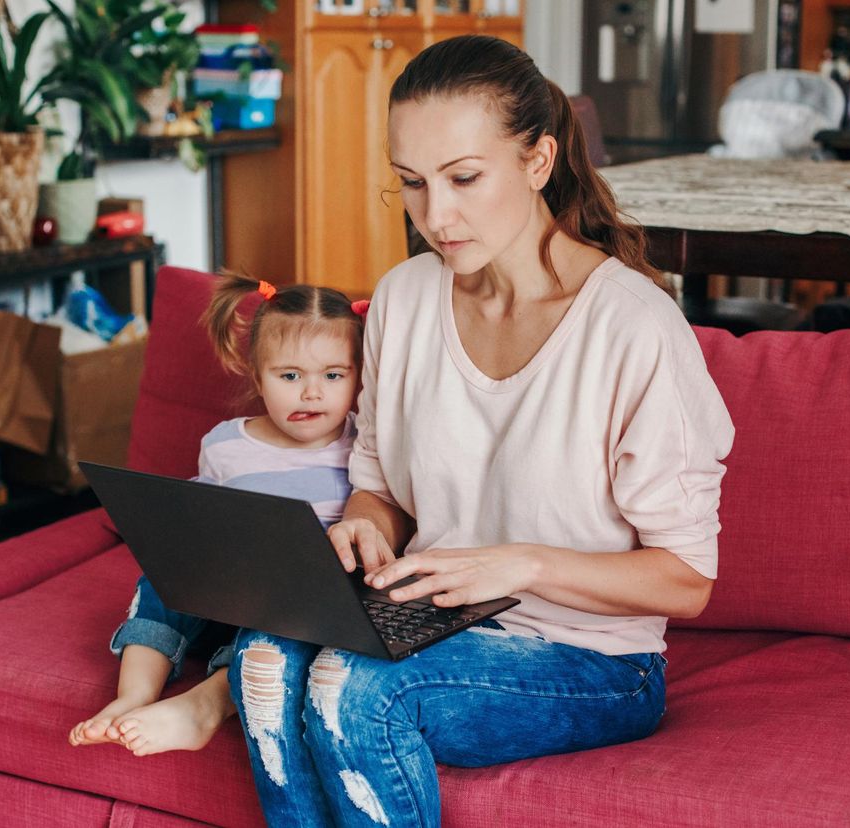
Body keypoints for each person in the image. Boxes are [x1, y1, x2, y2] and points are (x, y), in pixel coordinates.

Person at [227, 34, 735, 827]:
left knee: (349, 690)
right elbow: (379, 485)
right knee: (261, 658)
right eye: (413, 184)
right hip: (430, 614)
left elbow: (688, 580)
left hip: (592, 659)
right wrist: (364, 523)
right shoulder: (402, 299)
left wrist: (519, 565)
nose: (437, 215)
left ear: (539, 159)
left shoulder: (634, 328)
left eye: (464, 178)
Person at [68, 274, 366, 757]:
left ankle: (210, 703)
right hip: (228, 586)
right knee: (160, 582)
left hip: (294, 604)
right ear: (257, 376)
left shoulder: (361, 445)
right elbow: (201, 515)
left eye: (333, 376)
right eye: (290, 376)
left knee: (276, 634)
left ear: (358, 376)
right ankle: (132, 697)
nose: (312, 394)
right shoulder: (227, 443)